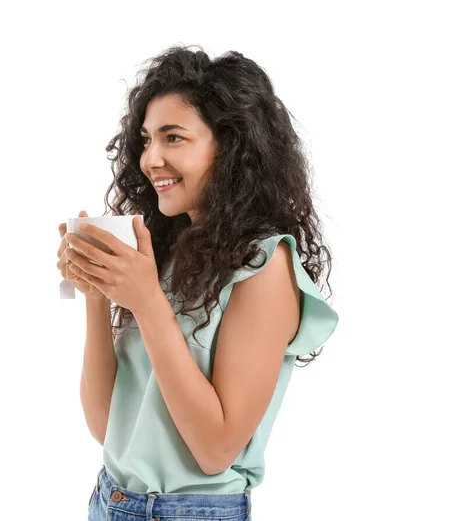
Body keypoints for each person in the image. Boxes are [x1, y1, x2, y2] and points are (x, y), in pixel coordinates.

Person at [56, 44, 339, 521]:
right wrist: (95, 293)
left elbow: (215, 450)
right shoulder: (169, 249)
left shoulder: (264, 267)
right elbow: (105, 426)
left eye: (174, 138)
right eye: (146, 139)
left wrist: (148, 304)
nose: (151, 159)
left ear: (230, 146)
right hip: (110, 500)